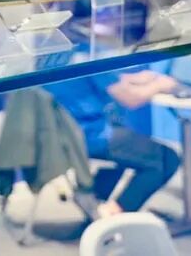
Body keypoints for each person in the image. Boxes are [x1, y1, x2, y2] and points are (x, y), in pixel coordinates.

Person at [47, 70, 181, 217]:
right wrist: (160, 85)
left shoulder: (57, 60)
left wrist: (141, 78)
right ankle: (112, 214)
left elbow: (108, 79)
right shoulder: (90, 59)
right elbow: (130, 98)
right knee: (167, 158)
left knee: (130, 148)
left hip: (62, 133)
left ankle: (95, 200)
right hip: (91, 135)